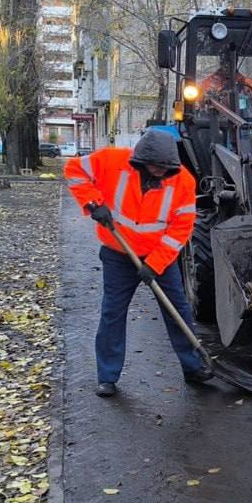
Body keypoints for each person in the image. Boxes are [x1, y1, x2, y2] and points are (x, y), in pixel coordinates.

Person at [64, 128, 212, 398]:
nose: (159, 172)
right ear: (140, 160)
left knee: (177, 310)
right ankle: (107, 377)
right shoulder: (112, 161)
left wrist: (154, 264)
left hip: (160, 257)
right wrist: (92, 202)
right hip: (119, 254)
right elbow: (74, 168)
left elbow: (181, 229)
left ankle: (193, 367)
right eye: (154, 166)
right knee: (113, 313)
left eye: (164, 167)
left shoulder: (183, 182)